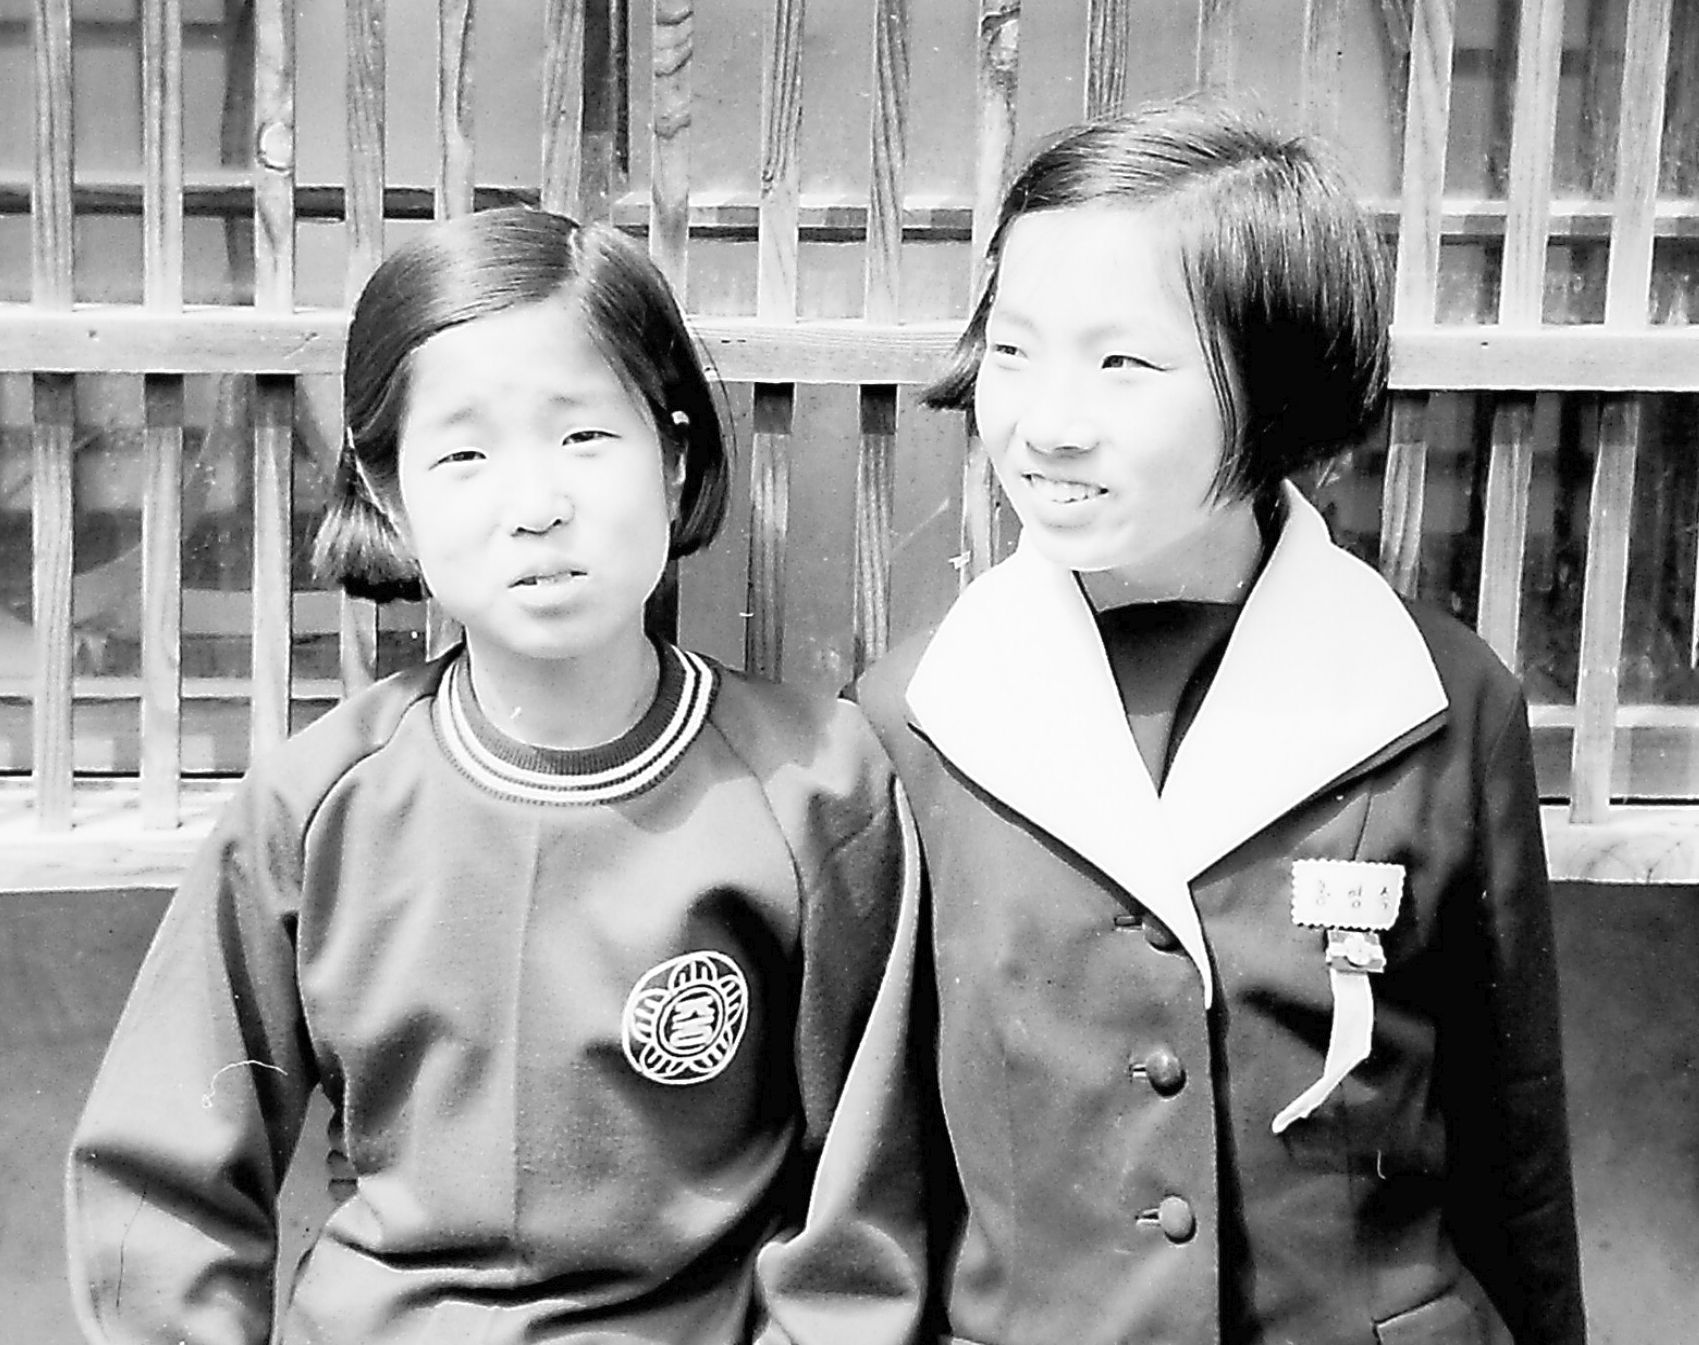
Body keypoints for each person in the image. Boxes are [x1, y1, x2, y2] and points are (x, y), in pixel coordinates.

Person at [65, 206, 927, 1345]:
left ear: (674, 458)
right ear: (388, 494)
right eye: (464, 455)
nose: (536, 505)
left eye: (585, 435)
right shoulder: (317, 805)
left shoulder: (816, 788)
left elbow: (862, 1218)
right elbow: (162, 1193)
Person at [852, 97, 1586, 1344]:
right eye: (1014, 350)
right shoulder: (912, 717)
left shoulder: (1438, 697)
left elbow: (1510, 1129)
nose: (1047, 421)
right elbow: (878, 1180)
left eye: (1123, 365)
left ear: (1277, 383)